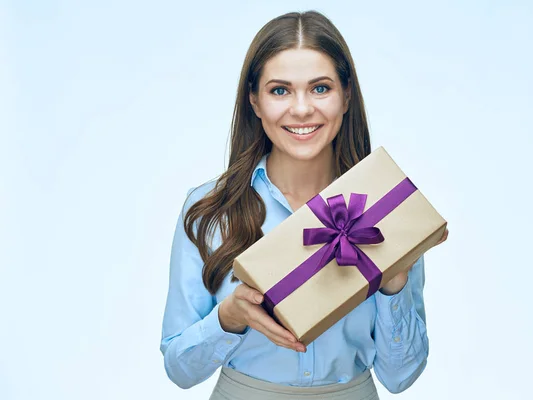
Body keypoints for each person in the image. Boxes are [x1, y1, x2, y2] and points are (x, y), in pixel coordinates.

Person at [160, 10, 448, 400]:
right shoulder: (210, 209)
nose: (301, 109)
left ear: (346, 95)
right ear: (255, 101)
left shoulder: (383, 208)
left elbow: (401, 377)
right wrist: (227, 319)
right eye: (280, 90)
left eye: (320, 88)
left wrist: (393, 285)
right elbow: (178, 369)